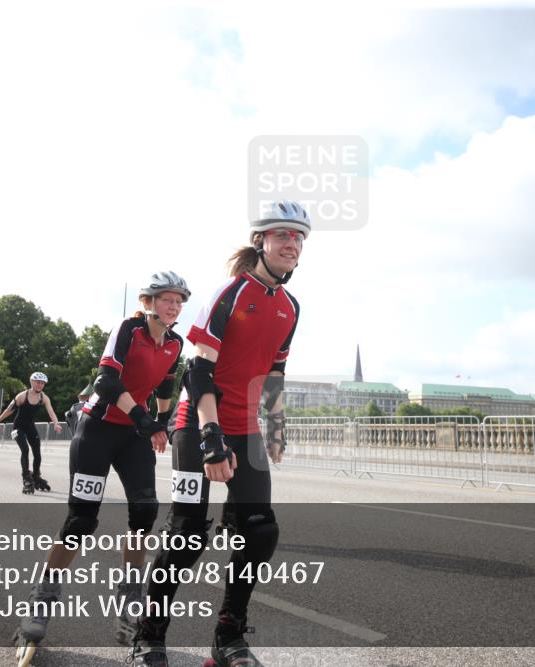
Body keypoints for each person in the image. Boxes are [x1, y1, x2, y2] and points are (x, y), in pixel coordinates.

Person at [131, 200, 308, 667]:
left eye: (299, 237)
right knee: (187, 534)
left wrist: (277, 425)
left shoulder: (290, 306)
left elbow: (274, 374)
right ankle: (150, 635)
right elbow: (197, 372)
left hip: (246, 429)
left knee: (259, 531)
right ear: (261, 242)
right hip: (197, 425)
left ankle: (227, 637)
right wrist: (211, 437)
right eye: (282, 235)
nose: (292, 243)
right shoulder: (230, 294)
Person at [13, 272, 190, 666]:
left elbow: (163, 388)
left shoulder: (176, 343)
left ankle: (129, 591)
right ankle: (43, 596)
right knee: (81, 521)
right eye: (166, 299)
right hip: (98, 431)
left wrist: (159, 424)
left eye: (179, 301)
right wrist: (143, 420)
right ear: (148, 302)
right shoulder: (128, 329)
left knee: (145, 510)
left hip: (134, 436)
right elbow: (106, 380)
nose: (174, 306)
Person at [0, 371, 62, 494]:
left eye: (42, 383)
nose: (40, 385)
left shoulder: (44, 398)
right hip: (18, 428)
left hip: (30, 427)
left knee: (37, 453)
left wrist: (56, 423)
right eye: (38, 382)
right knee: (25, 450)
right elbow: (9, 410)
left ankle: (36, 476)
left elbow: (51, 411)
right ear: (32, 382)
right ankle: (26, 478)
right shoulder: (22, 396)